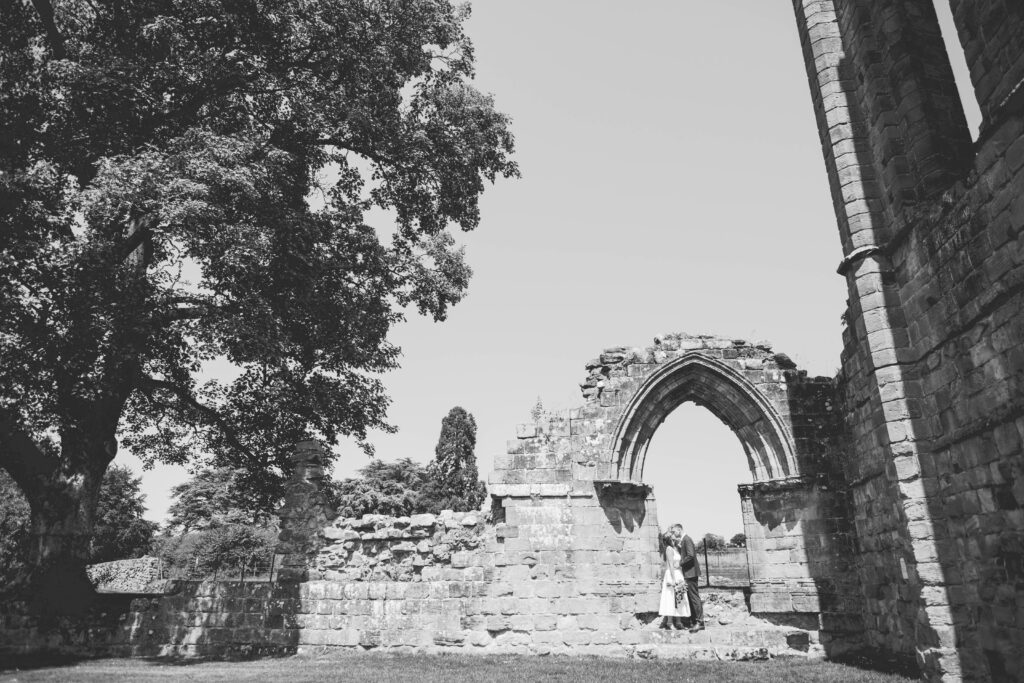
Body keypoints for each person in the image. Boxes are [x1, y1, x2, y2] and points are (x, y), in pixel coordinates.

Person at [658, 526, 690, 629]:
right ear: (669, 539)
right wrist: (673, 579)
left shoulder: (676, 548)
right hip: (672, 574)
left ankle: (679, 621)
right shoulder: (668, 549)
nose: (675, 536)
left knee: (679, 597)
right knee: (671, 597)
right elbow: (671, 565)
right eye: (672, 536)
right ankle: (670, 622)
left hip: (678, 573)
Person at [679, 525, 705, 632]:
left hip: (691, 572)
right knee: (691, 597)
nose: (673, 533)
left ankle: (700, 622)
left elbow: (690, 555)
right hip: (689, 573)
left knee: (694, 597)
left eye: (674, 531)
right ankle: (694, 621)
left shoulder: (687, 539)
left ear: (679, 530)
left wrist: (680, 563)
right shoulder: (684, 540)